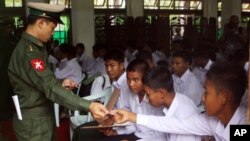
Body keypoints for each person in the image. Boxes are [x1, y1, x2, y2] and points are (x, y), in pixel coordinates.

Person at [7, 2, 108, 141]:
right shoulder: (30, 53)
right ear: (41, 23)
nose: (52, 33)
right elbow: (50, 87)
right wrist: (89, 105)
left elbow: (39, 81)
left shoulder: (36, 47)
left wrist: (60, 83)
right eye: (52, 27)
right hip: (34, 123)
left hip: (41, 118)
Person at [113, 61, 247, 141]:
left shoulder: (243, 127)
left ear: (224, 97)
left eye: (206, 92)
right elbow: (176, 124)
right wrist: (133, 117)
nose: (202, 97)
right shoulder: (211, 120)